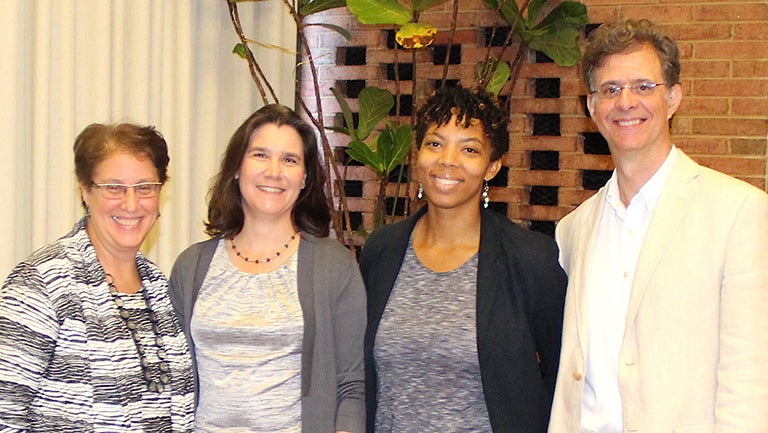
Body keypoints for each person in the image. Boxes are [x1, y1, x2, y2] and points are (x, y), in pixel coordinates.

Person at [548, 18, 768, 433]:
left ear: (673, 99)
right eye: (610, 89)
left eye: (643, 87)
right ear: (592, 107)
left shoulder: (739, 213)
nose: (626, 102)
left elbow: (750, 380)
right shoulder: (573, 230)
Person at [359, 85, 568, 433]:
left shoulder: (530, 259)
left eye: (469, 149)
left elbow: (562, 376)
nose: (448, 160)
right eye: (435, 144)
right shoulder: (382, 250)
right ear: (418, 154)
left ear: (492, 167)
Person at [168, 104, 366, 433]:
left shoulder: (334, 267)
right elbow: (173, 382)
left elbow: (351, 385)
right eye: (260, 155)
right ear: (236, 168)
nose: (274, 171)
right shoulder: (191, 268)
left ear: (304, 178)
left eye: (289, 160)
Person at [0, 123, 195, 431]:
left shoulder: (159, 288)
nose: (131, 204)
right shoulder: (42, 283)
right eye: (114, 188)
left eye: (145, 187)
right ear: (86, 190)